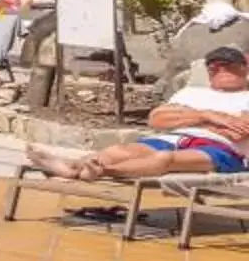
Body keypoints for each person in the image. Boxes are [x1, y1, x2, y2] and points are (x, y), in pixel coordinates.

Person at [26, 45, 249, 182]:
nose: (218, 71)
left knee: (165, 159)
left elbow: (239, 133)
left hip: (223, 151)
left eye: (226, 66)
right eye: (213, 67)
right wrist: (208, 116)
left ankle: (102, 171)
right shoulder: (191, 92)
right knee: (118, 150)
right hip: (171, 138)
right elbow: (158, 118)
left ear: (243, 68)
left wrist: (187, 117)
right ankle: (72, 167)